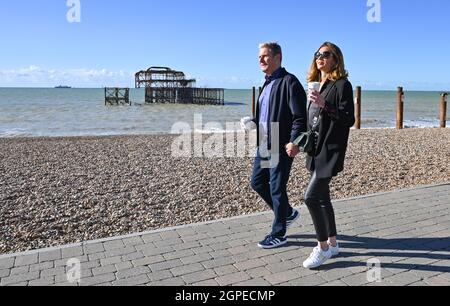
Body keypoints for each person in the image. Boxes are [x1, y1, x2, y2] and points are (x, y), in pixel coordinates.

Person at [287, 42, 355, 268]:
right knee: (323, 199)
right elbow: (313, 123)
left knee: (311, 197)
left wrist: (324, 104)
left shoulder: (342, 85)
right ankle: (334, 244)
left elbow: (348, 119)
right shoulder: (318, 85)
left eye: (326, 54)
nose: (320, 58)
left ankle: (323, 247)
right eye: (317, 54)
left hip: (331, 149)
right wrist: (297, 143)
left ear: (336, 59)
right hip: (315, 149)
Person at [242, 42, 307, 249]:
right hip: (264, 143)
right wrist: (253, 122)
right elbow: (268, 114)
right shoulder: (267, 83)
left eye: (264, 56)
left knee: (277, 188)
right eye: (259, 57)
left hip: (281, 143)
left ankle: (279, 233)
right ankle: (286, 213)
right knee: (257, 182)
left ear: (277, 57)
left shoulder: (290, 82)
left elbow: (299, 117)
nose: (260, 60)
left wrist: (294, 141)